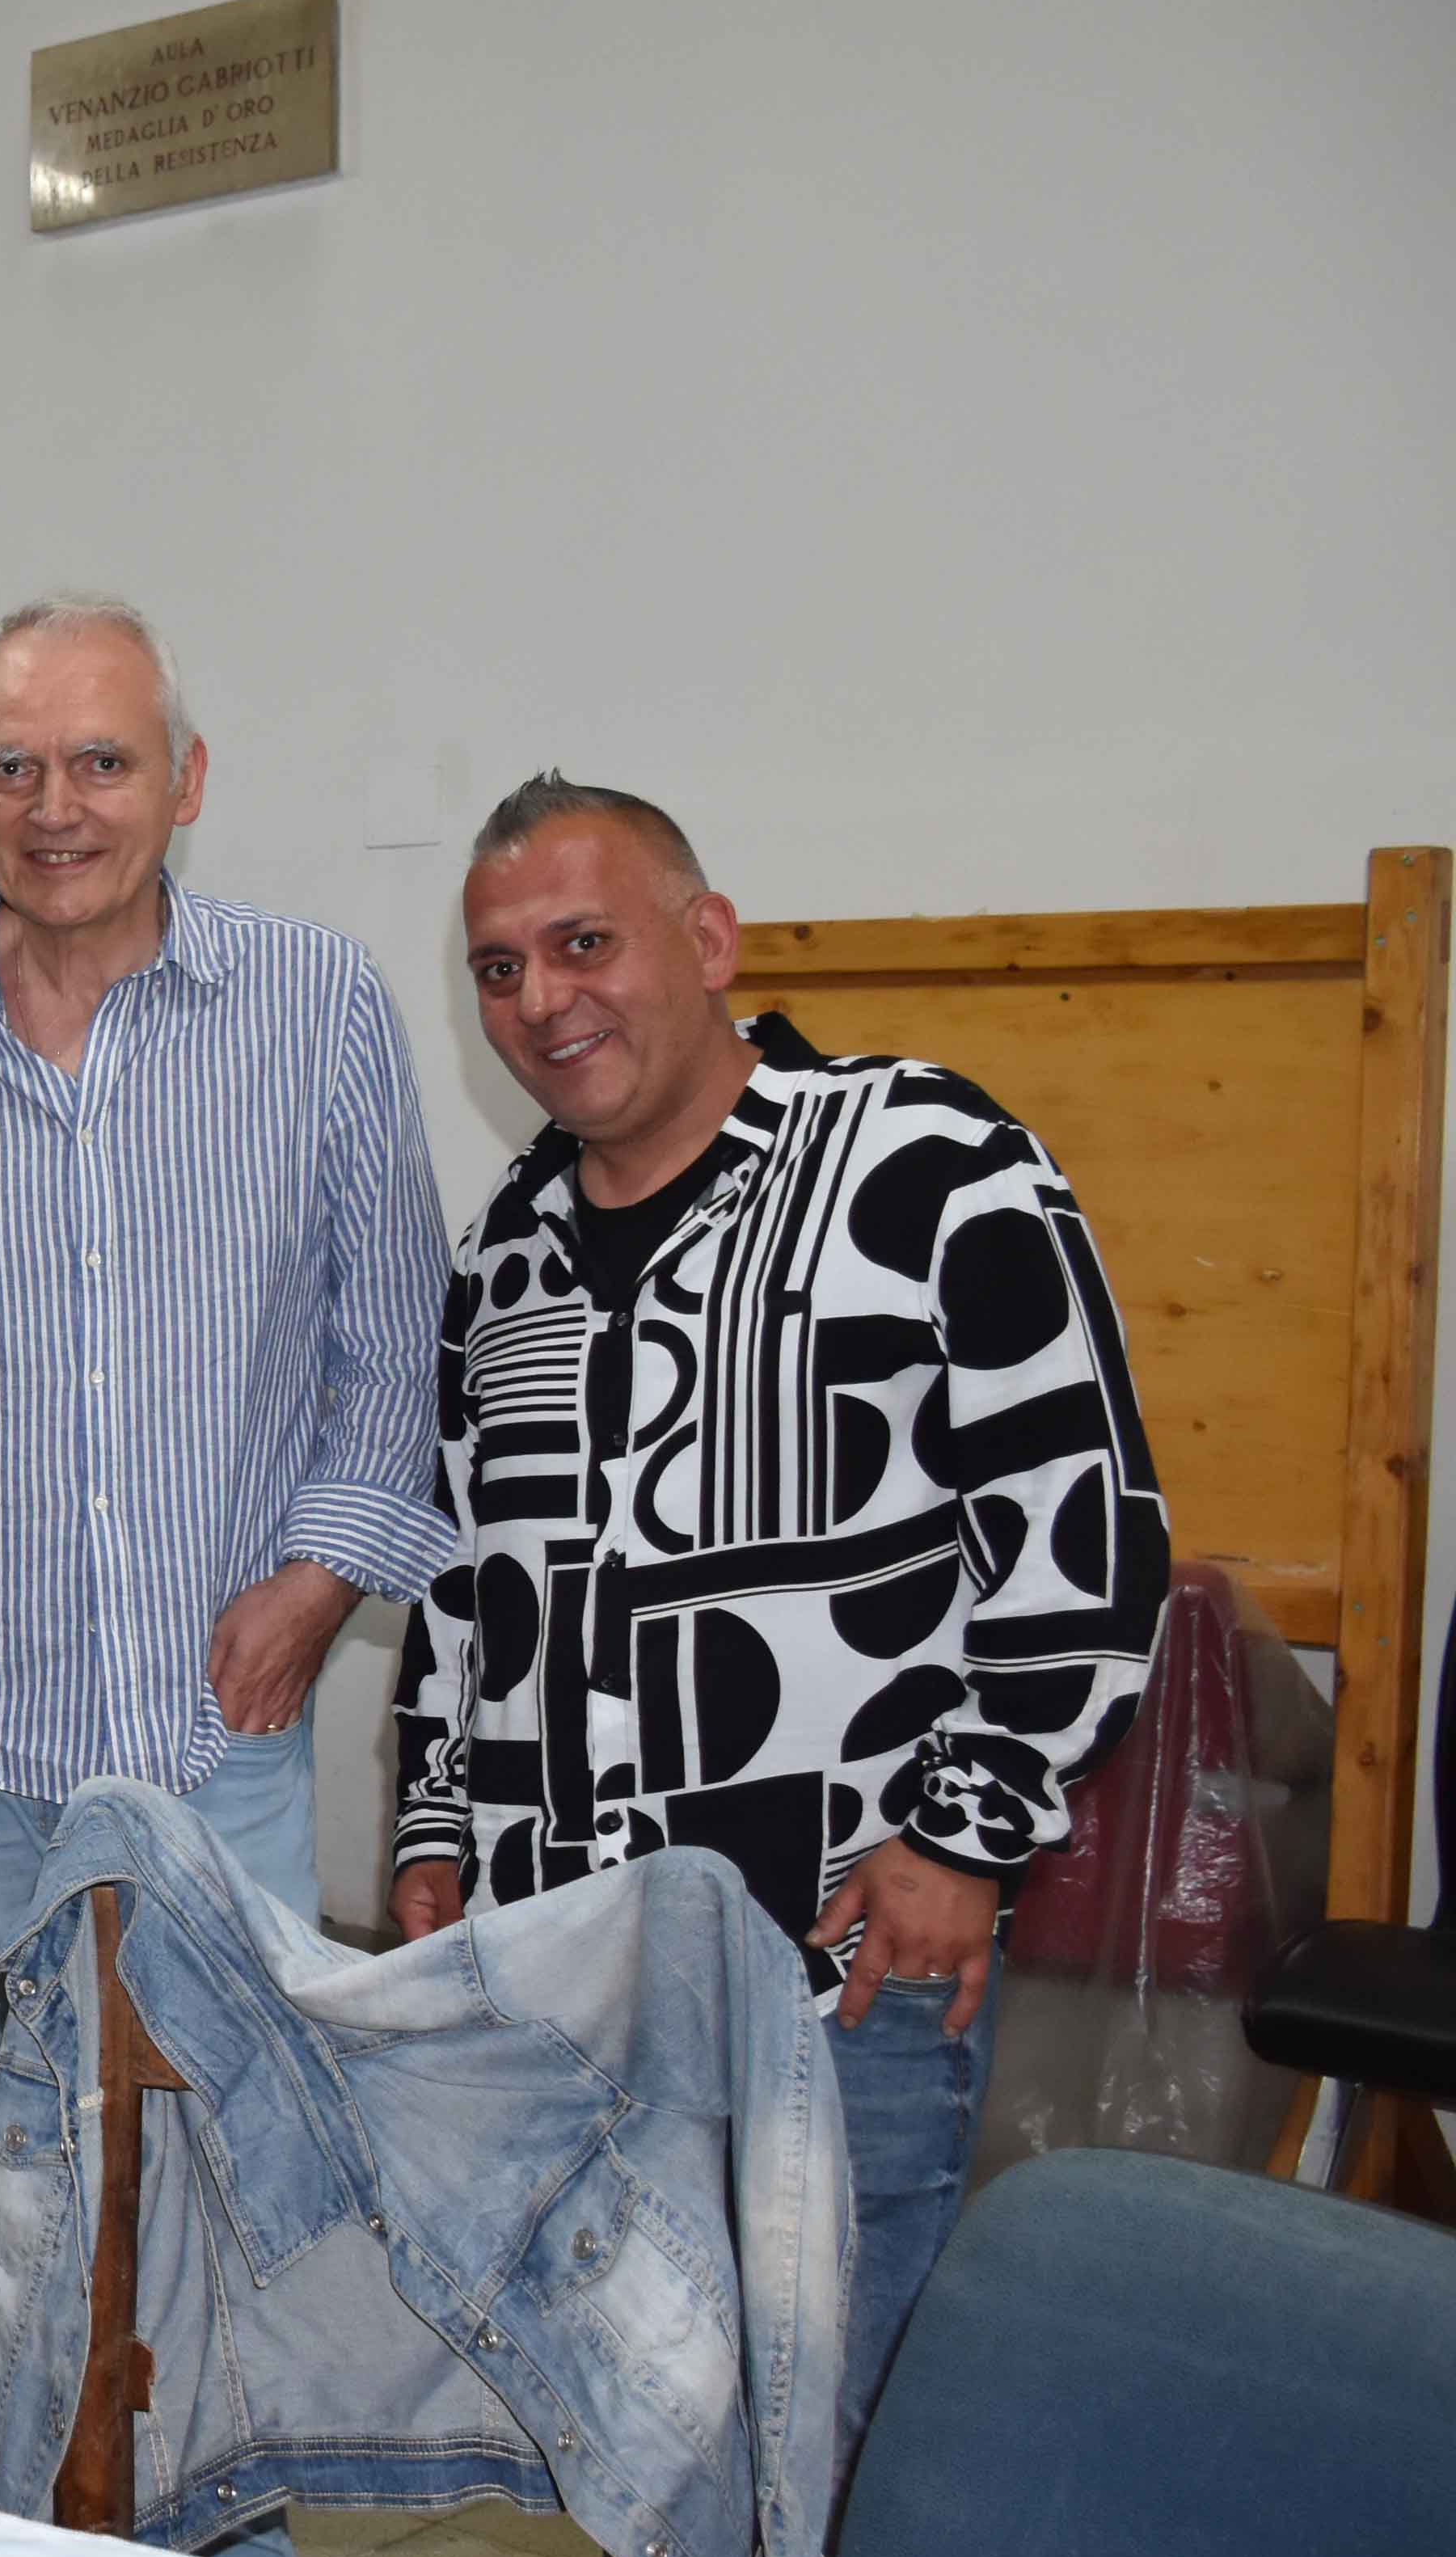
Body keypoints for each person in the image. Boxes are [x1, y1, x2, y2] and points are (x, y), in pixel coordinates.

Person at [0, 593, 452, 2557]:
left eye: (102, 761)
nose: (57, 804)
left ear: (186, 781)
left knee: (216, 2194)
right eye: (13, 766)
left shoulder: (317, 1006)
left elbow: (397, 1344)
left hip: (209, 1735)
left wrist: (322, 1577)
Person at [397, 774, 1166, 2432]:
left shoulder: (931, 1164)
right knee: (626, 2452)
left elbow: (1085, 1532)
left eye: (584, 943)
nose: (540, 999)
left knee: (836, 2466)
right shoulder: (502, 1251)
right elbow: (466, 1584)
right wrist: (435, 1829)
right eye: (499, 967)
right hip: (564, 1988)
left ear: (708, 940)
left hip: (837, 1979)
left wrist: (967, 1834)